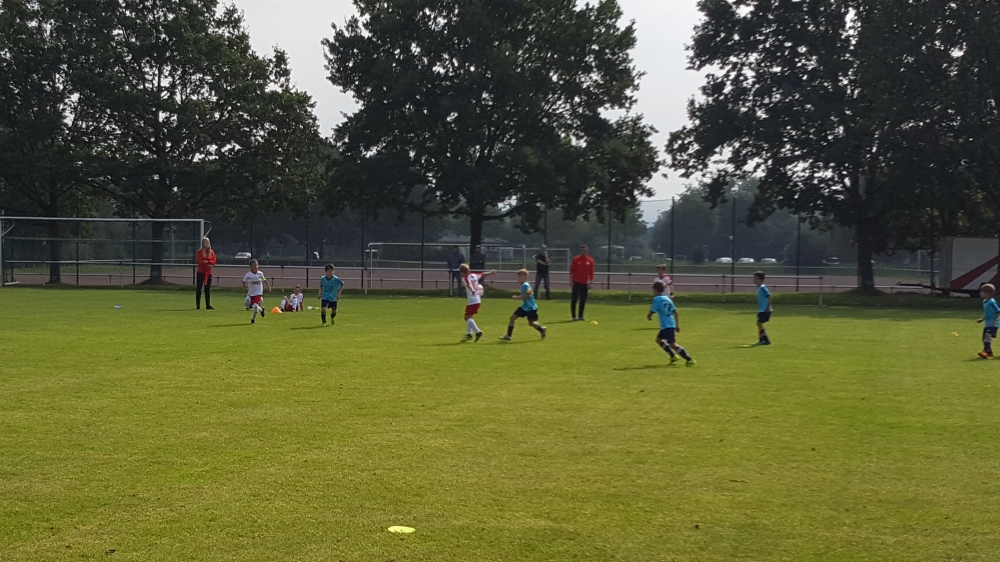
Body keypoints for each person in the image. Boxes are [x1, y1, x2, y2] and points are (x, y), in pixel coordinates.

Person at [647, 280, 695, 366]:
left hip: (667, 326)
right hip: (670, 324)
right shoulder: (667, 298)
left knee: (673, 344)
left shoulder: (656, 299)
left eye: (653, 290)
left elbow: (652, 311)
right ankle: (673, 356)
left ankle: (689, 359)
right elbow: (675, 312)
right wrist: (677, 325)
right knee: (658, 340)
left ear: (655, 290)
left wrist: (649, 316)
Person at [501, 269, 547, 341]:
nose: (518, 278)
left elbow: (528, 295)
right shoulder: (525, 285)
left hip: (530, 307)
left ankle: (542, 329)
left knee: (531, 323)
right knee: (512, 318)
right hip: (524, 306)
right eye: (518, 277)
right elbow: (528, 294)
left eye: (520, 277)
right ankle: (508, 336)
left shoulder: (525, 285)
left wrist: (517, 297)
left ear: (525, 277)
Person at [459, 263, 495, 342]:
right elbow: (482, 274)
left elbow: (469, 284)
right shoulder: (474, 275)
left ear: (462, 272)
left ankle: (478, 332)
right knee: (470, 317)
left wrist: (472, 289)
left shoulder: (465, 278)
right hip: (477, 299)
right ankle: (469, 334)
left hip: (472, 300)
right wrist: (490, 273)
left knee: (467, 317)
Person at [569, 244, 595, 321]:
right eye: (582, 250)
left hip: (585, 283)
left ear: (587, 251)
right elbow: (571, 271)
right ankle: (574, 316)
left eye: (585, 250)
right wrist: (571, 281)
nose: (583, 252)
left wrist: (590, 282)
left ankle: (580, 316)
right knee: (574, 299)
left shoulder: (590, 260)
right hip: (576, 282)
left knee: (583, 300)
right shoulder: (576, 259)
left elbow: (591, 273)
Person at [242, 259, 272, 325]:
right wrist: (245, 286)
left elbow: (265, 280)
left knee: (255, 307)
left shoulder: (260, 274)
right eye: (254, 265)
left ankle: (253, 319)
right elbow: (244, 281)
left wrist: (269, 288)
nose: (256, 267)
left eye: (257, 265)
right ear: (251, 266)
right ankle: (261, 310)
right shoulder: (248, 275)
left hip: (258, 293)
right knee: (248, 304)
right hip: (251, 293)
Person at [977, 283, 1000, 359]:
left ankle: (985, 351)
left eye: (982, 292)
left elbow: (998, 312)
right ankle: (990, 353)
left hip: (994, 323)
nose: (980, 293)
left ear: (986, 293)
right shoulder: (984, 301)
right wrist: (983, 319)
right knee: (984, 338)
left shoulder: (991, 302)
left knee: (987, 336)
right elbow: (987, 312)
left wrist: (994, 323)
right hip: (988, 323)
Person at [195, 237, 216, 310]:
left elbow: (214, 261)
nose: (206, 244)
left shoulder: (211, 252)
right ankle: (198, 305)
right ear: (203, 243)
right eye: (205, 242)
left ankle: (208, 305)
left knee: (208, 289)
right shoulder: (200, 252)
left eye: (207, 242)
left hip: (209, 272)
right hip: (201, 272)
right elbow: (200, 261)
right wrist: (208, 264)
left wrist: (208, 262)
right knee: (199, 289)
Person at [754, 271, 772, 345]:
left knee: (759, 323)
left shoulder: (763, 287)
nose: (754, 280)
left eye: (756, 278)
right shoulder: (759, 288)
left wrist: (768, 307)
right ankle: (761, 340)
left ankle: (765, 339)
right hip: (761, 309)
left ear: (761, 280)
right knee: (759, 324)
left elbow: (769, 296)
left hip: (765, 310)